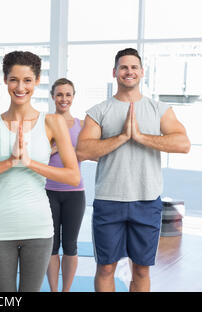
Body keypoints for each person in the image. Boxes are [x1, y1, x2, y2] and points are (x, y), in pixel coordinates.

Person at [0, 51, 80, 292]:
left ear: (36, 81)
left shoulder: (52, 122)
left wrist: (29, 162)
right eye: (14, 79)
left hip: (38, 226)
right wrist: (10, 162)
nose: (20, 87)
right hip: (0, 225)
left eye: (27, 80)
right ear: (5, 80)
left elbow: (73, 176)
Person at [76, 48, 190, 292]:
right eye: (124, 67)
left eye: (134, 67)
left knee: (141, 268)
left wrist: (139, 137)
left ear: (141, 72)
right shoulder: (98, 111)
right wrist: (121, 137)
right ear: (115, 72)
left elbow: (183, 144)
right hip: (109, 200)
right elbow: (83, 151)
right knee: (106, 268)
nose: (129, 71)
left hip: (146, 201)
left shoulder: (159, 109)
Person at [45, 78, 86, 292]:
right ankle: (53, 290)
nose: (64, 99)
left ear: (73, 97)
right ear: (53, 96)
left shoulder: (81, 125)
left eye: (68, 94)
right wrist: (51, 149)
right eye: (59, 94)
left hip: (74, 192)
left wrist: (63, 148)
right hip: (48, 191)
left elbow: (90, 153)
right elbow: (33, 156)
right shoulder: (44, 123)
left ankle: (66, 290)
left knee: (70, 245)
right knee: (51, 246)